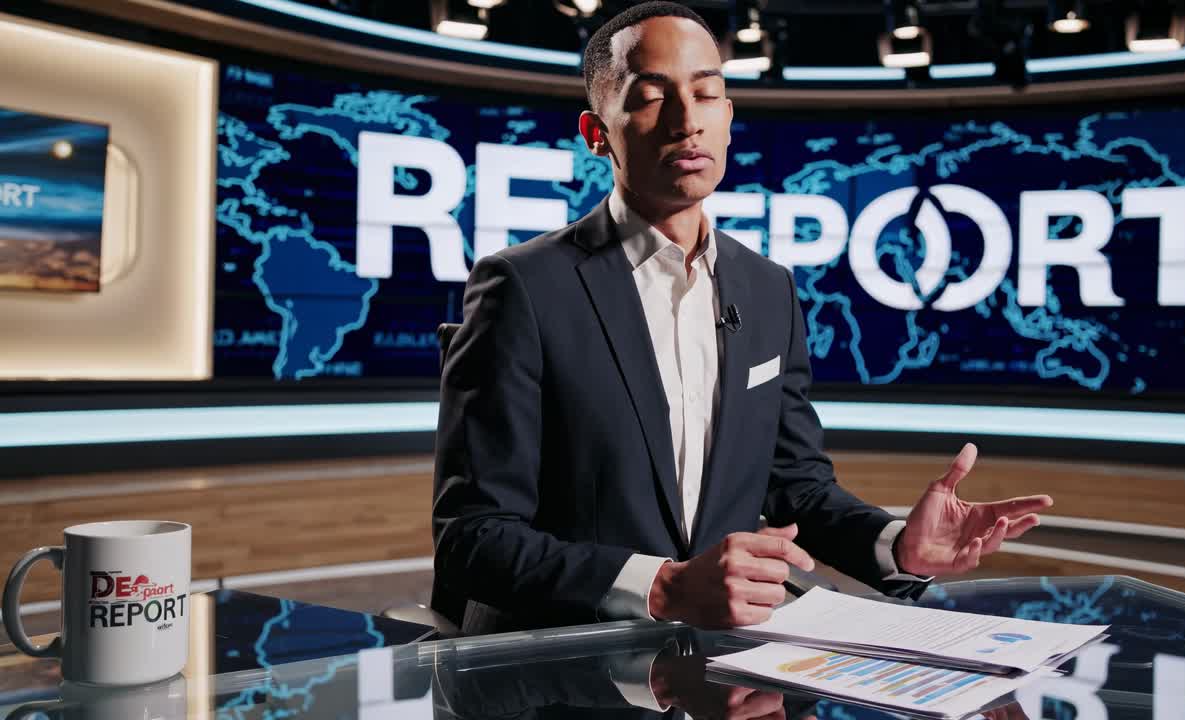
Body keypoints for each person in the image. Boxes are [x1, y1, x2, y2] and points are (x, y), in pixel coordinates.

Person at [431, 1, 1052, 634]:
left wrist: (896, 545)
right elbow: (473, 537)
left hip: (717, 673)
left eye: (706, 95)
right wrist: (663, 587)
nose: (686, 122)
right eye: (651, 97)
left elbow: (797, 488)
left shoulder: (769, 290)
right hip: (553, 674)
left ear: (728, 118)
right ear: (598, 134)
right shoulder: (522, 287)